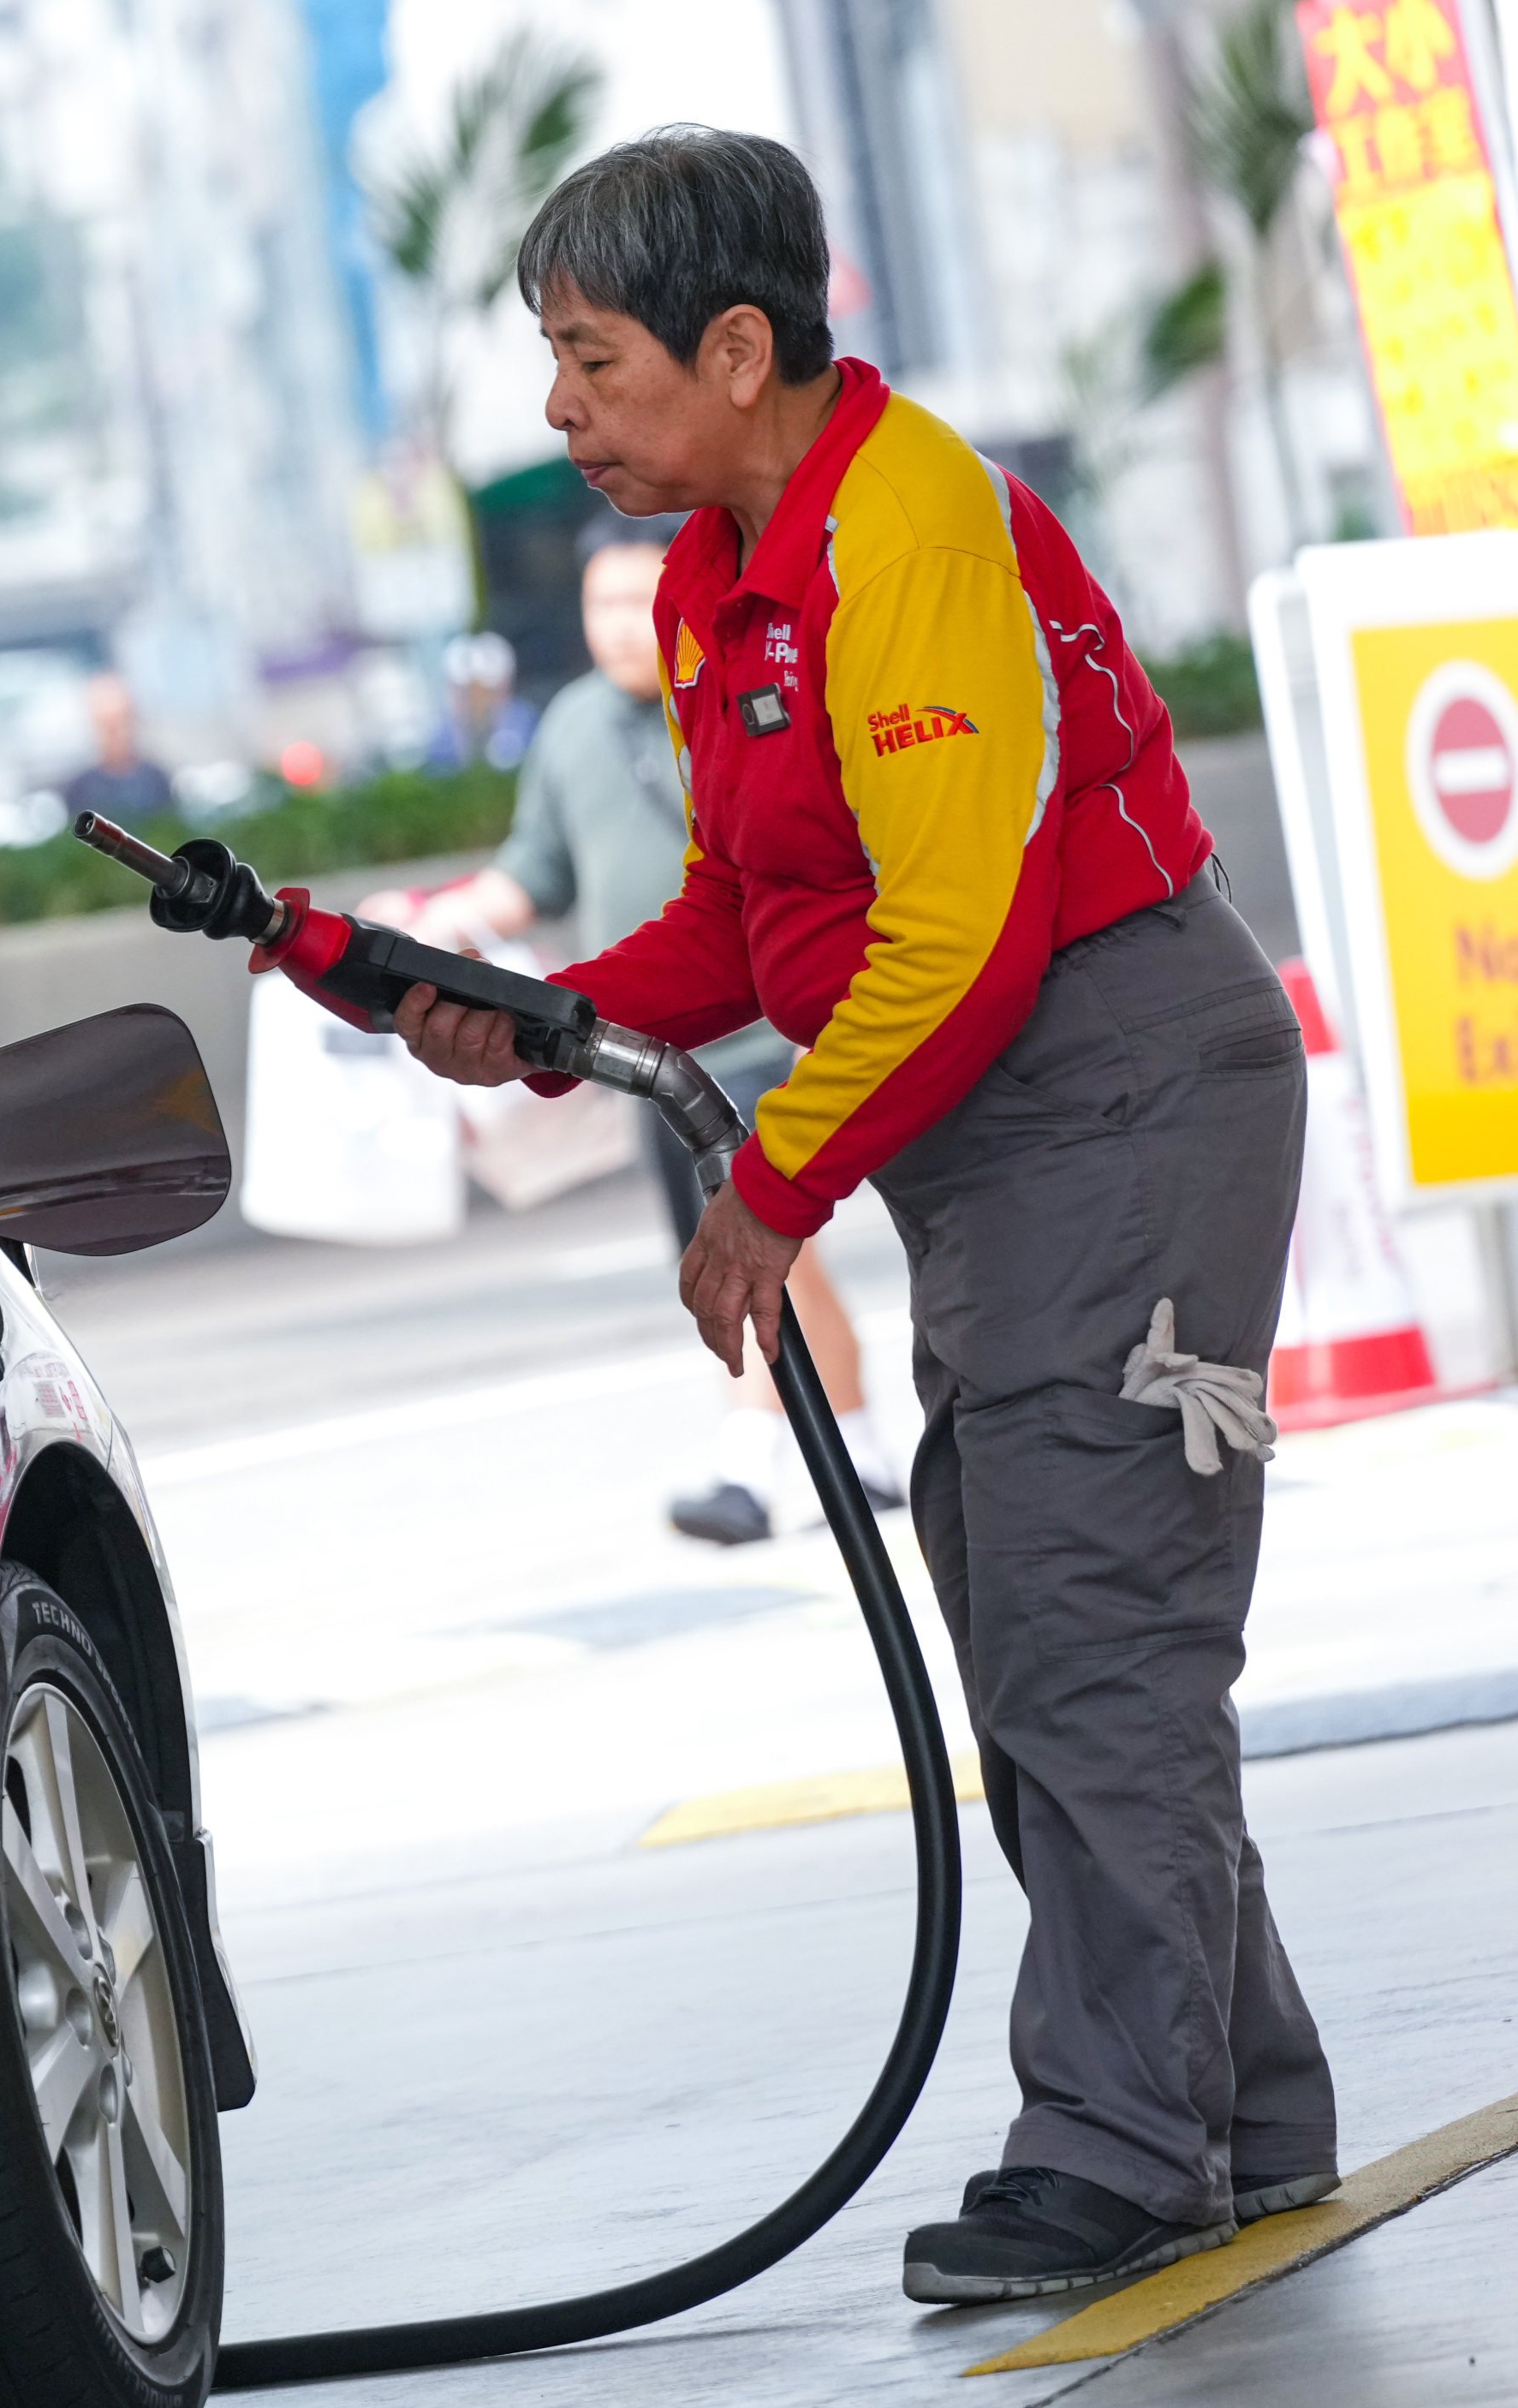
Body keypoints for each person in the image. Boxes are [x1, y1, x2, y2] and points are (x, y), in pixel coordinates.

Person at [387, 126, 1333, 2302]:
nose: (560, 414)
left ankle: (1119, 2141)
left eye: (591, 361)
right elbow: (748, 913)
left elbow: (967, 930)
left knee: (1098, 1633)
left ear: (740, 349)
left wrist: (768, 1180)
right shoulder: (734, 565)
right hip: (1008, 1127)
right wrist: (529, 1011)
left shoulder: (907, 527)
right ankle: (1243, 2100)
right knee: (1045, 1617)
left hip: (1116, 1077)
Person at [360, 516, 902, 1541]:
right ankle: (860, 1446)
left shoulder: (740, 697)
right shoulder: (569, 729)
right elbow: (533, 875)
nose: (619, 627)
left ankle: (756, 1462)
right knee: (741, 1247)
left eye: (636, 603)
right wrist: (432, 923)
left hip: (767, 1037)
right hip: (649, 1052)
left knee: (753, 1238)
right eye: (599, 605)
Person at [60, 670, 173, 821]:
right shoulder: (79, 790)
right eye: (108, 727)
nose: (117, 735)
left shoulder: (156, 779)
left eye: (122, 723)